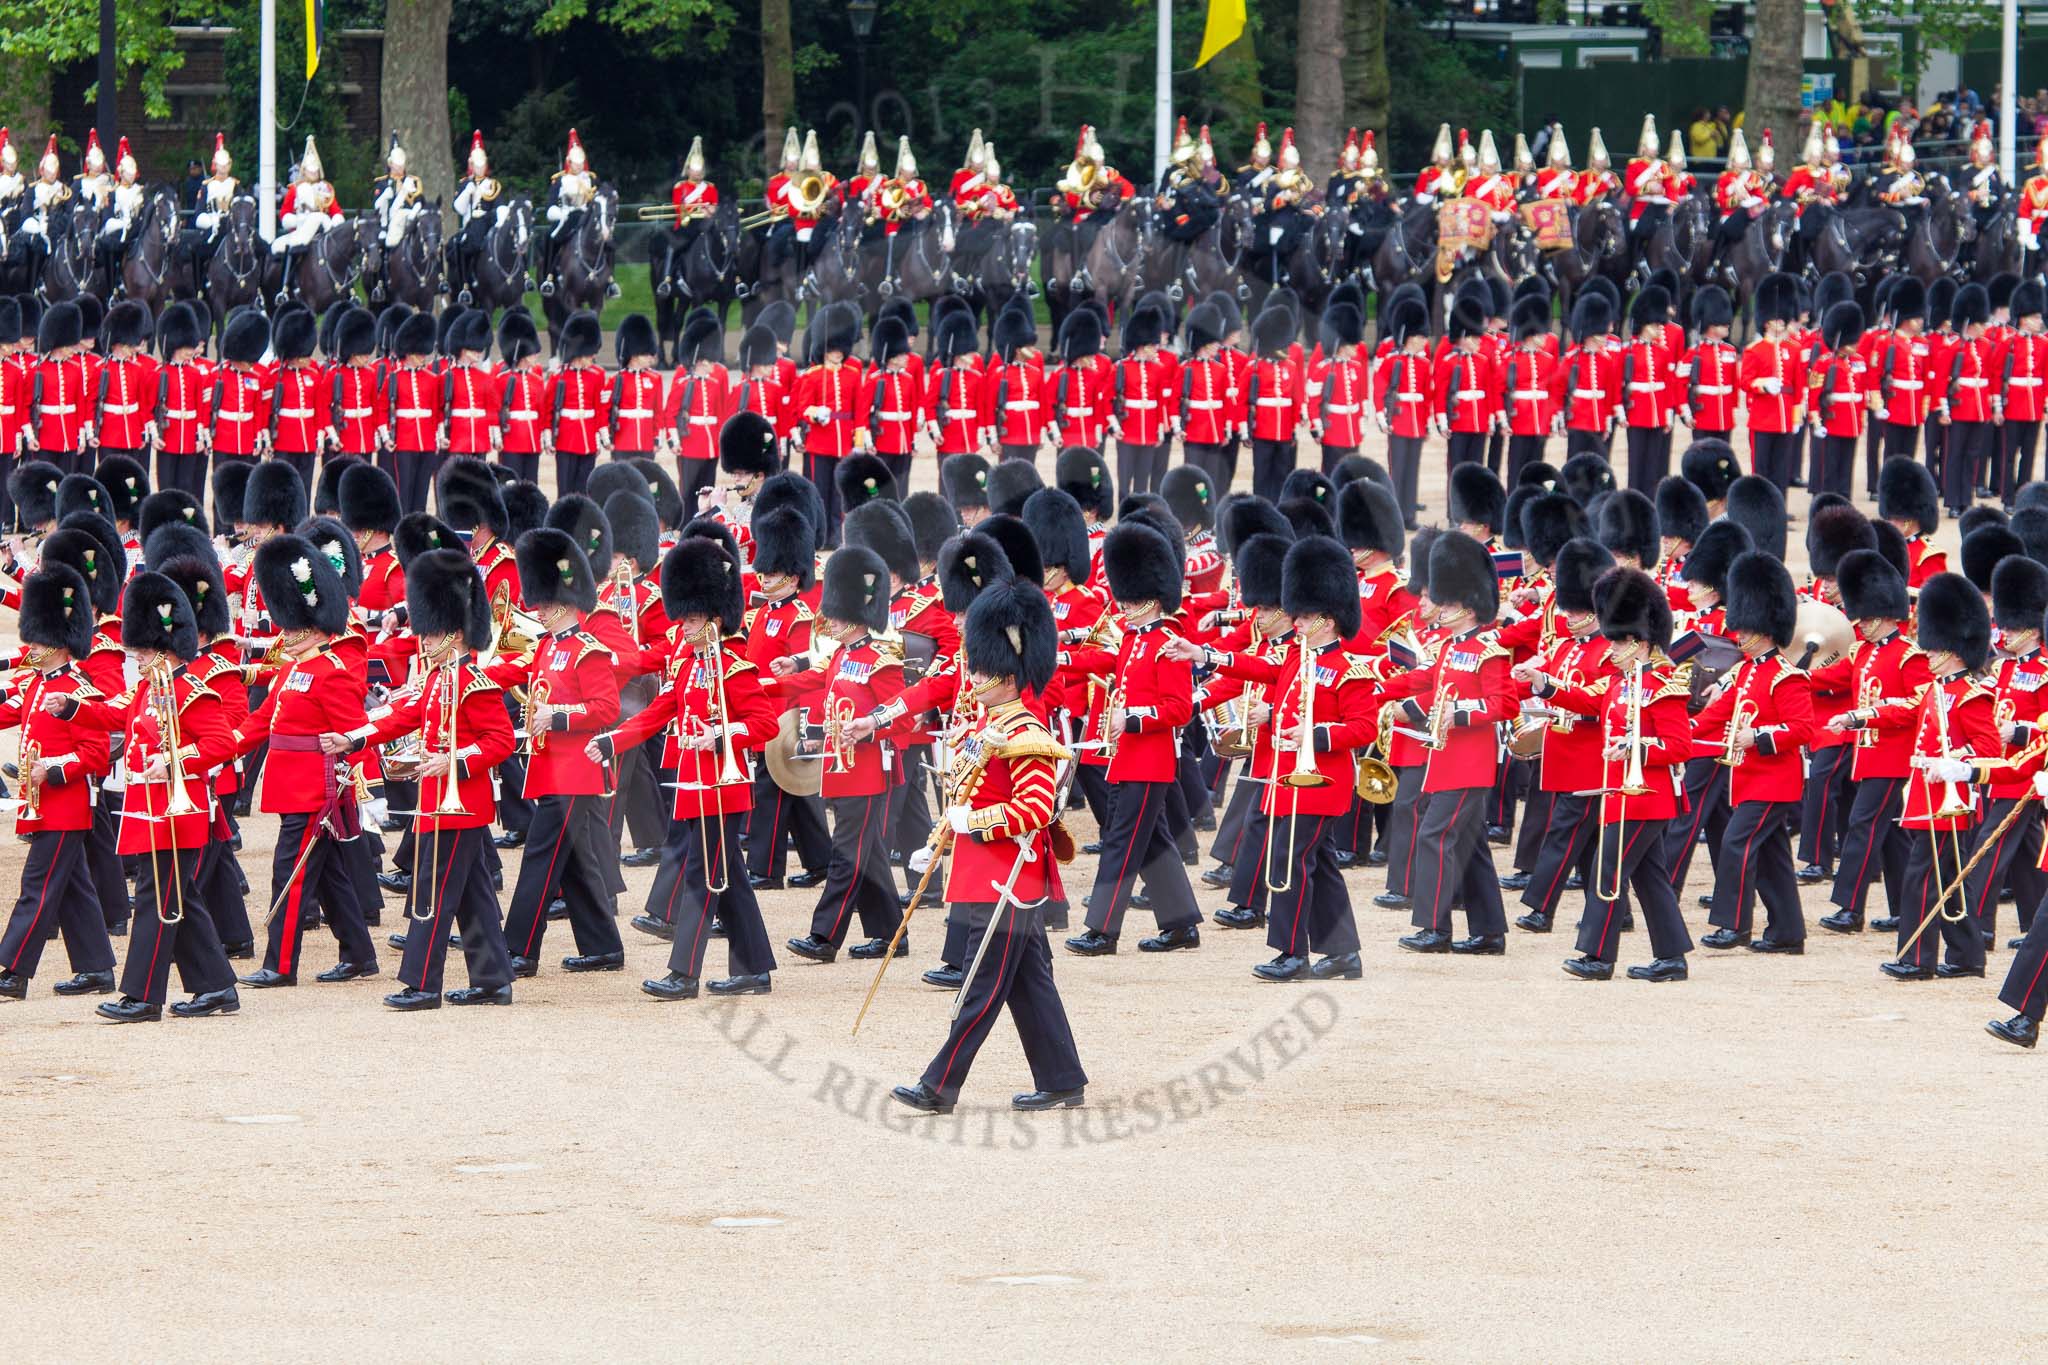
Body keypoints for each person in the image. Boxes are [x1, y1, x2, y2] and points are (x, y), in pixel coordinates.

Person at [891, 573, 1088, 1115]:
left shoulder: (1026, 733)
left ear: (1008, 674)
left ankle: (938, 1086)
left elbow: (1036, 810)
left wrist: (972, 820)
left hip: (1010, 879)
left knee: (980, 987)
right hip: (986, 874)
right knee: (1030, 986)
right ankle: (1063, 1078)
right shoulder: (987, 725)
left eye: (983, 669)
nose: (972, 675)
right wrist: (946, 833)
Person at [55, 573, 241, 1022]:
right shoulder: (147, 689)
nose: (135, 657)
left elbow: (222, 744)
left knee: (157, 901)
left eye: (141, 650)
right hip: (149, 812)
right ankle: (217, 988)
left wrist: (175, 761)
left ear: (164, 648)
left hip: (179, 814)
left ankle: (142, 995)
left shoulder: (191, 692)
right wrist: (73, 708)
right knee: (182, 900)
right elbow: (115, 714)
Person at [342, 550, 519, 1009]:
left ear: (454, 634)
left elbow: (500, 741)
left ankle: (422, 983)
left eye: (433, 631)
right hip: (442, 799)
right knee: (475, 894)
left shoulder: (473, 682)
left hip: (460, 801)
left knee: (433, 891)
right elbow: (404, 716)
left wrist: (455, 762)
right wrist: (354, 737)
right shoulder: (439, 678)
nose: (424, 639)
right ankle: (493, 979)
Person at [1539, 567, 1695, 980]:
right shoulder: (1620, 680)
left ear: (1638, 642)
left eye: (1616, 640)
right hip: (1619, 794)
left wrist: (1637, 747)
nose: (1609, 647)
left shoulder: (1664, 684)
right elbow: (1589, 703)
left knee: (1607, 873)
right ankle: (1672, 957)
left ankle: (1598, 955)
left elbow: (1680, 746)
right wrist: (1544, 685)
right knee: (1650, 879)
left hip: (1646, 797)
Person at [1063, 521, 1203, 956]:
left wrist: (1136, 719)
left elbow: (1180, 709)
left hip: (1151, 759)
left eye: (1132, 599)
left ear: (1153, 598)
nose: (1124, 605)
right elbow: (1107, 661)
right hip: (1129, 758)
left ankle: (1103, 930)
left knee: (1120, 842)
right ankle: (1180, 924)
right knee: (1154, 841)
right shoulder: (1134, 638)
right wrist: (1061, 657)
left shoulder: (1167, 643)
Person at [490, 528, 625, 975]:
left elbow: (606, 708)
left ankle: (520, 948)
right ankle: (603, 946)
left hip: (576, 772)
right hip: (551, 767)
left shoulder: (590, 651)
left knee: (540, 857)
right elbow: (516, 669)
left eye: (545, 603)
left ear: (564, 602)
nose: (538, 610)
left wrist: (558, 716)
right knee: (575, 863)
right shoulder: (547, 646)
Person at [0, 567, 116, 1001]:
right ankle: (95, 967)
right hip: (45, 804)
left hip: (65, 804)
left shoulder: (77, 689)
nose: (30, 645)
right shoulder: (39, 683)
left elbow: (96, 754)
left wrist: (53, 769)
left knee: (38, 887)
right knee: (72, 888)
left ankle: (11, 970)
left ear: (58, 642)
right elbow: (12, 714)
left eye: (37, 638)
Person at [1691, 551, 1812, 953]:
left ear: (1765, 629)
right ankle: (1787, 933)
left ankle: (1733, 925)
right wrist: (1685, 732)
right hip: (1749, 779)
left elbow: (1802, 729)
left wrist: (1759, 737)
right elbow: (1717, 714)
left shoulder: (1786, 676)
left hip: (1773, 781)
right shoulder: (1745, 671)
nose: (1737, 635)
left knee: (1735, 843)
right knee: (1775, 857)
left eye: (1745, 630)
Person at [270, 136, 341, 305]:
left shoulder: (327, 188)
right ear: (304, 170)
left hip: (324, 231)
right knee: (295, 249)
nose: (314, 173)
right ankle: (286, 287)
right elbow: (285, 214)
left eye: (316, 170)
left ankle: (348, 287)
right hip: (301, 231)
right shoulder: (295, 190)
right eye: (310, 170)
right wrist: (299, 220)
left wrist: (336, 221)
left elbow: (335, 210)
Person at [369, 134, 425, 304]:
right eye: (396, 164)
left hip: (409, 221)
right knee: (380, 244)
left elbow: (419, 200)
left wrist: (416, 209)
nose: (399, 168)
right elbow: (376, 206)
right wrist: (385, 196)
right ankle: (380, 282)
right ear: (390, 164)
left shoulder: (413, 181)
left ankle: (436, 278)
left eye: (402, 165)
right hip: (388, 223)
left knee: (429, 240)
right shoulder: (382, 183)